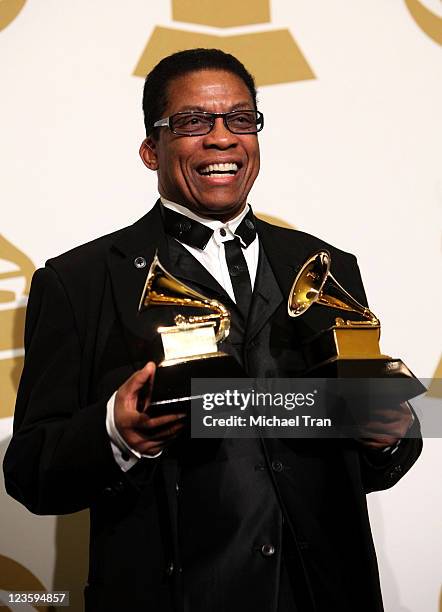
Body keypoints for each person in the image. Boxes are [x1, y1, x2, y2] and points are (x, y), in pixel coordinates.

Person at [3, 49, 421, 612]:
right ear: (152, 150)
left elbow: (357, 462)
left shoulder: (328, 266)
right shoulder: (77, 282)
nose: (222, 138)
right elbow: (31, 472)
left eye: (240, 120)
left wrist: (388, 434)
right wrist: (117, 434)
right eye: (194, 122)